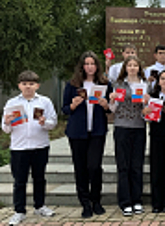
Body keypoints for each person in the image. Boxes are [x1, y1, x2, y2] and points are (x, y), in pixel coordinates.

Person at [2, 71, 58, 226]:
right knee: (20, 181)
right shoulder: (12, 103)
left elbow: (53, 123)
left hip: (40, 146)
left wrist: (44, 122)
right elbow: (6, 129)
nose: (28, 87)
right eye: (25, 84)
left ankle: (40, 206)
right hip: (19, 148)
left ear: (37, 85)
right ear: (19, 85)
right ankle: (19, 211)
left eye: (31, 84)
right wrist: (7, 122)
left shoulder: (45, 102)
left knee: (39, 178)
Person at [62, 51, 111, 218]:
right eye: (87, 63)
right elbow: (64, 109)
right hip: (77, 132)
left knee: (94, 166)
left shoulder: (104, 83)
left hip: (97, 131)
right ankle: (85, 203)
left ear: (97, 66)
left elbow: (111, 108)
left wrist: (106, 105)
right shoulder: (73, 85)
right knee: (80, 167)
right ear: (82, 66)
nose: (90, 67)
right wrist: (73, 105)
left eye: (93, 63)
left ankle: (96, 200)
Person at [108, 56, 149, 216]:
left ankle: (137, 200)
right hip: (122, 127)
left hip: (139, 127)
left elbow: (149, 110)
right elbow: (113, 109)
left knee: (137, 166)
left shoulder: (145, 85)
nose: (132, 68)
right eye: (129, 65)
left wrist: (147, 103)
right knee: (123, 165)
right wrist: (111, 100)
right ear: (125, 68)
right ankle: (125, 202)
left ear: (139, 68)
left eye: (135, 65)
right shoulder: (118, 85)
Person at [143, 70, 165, 213]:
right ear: (158, 82)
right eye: (162, 78)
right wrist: (145, 112)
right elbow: (147, 118)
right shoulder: (153, 97)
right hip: (156, 136)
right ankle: (156, 203)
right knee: (156, 169)